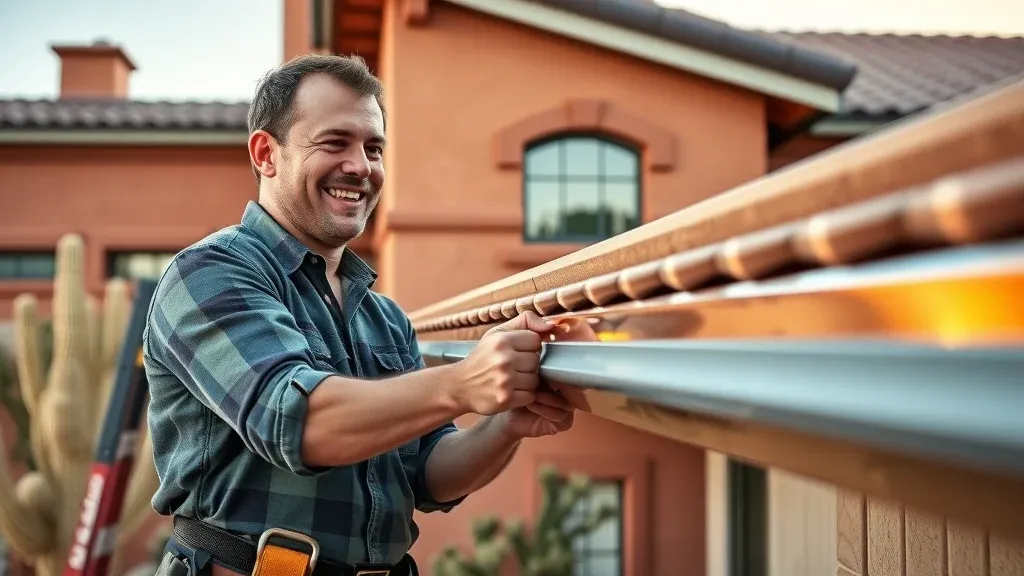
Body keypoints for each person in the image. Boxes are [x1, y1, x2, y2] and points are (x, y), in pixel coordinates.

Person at [142, 53, 582, 576]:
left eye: (374, 148)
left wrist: (504, 423)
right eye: (335, 143)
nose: (361, 166)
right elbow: (298, 423)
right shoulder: (209, 273)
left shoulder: (383, 317)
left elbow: (429, 475)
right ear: (266, 153)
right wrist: (463, 383)